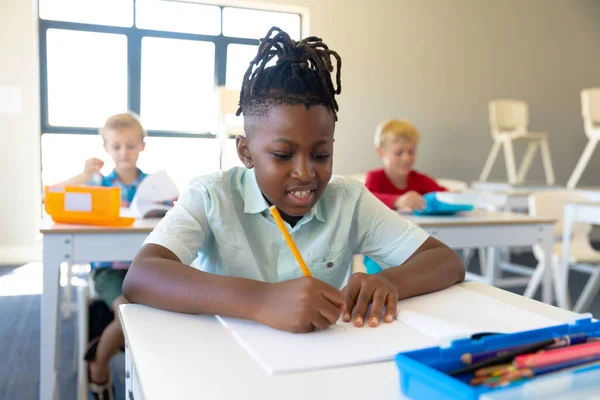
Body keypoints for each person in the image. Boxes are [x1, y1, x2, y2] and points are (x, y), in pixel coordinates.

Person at [122, 27, 464, 335]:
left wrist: (388, 280)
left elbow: (445, 261)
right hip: (225, 364)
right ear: (246, 152)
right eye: (283, 155)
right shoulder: (212, 195)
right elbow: (143, 276)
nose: (305, 172)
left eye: (320, 155)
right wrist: (261, 301)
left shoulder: (347, 200)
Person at [56, 111, 147, 399]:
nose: (124, 152)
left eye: (131, 145)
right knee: (127, 312)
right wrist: (84, 176)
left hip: (144, 268)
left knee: (162, 313)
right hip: (109, 270)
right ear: (106, 150)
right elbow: (54, 196)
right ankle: (99, 364)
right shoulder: (99, 184)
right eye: (117, 146)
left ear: (142, 146)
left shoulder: (151, 185)